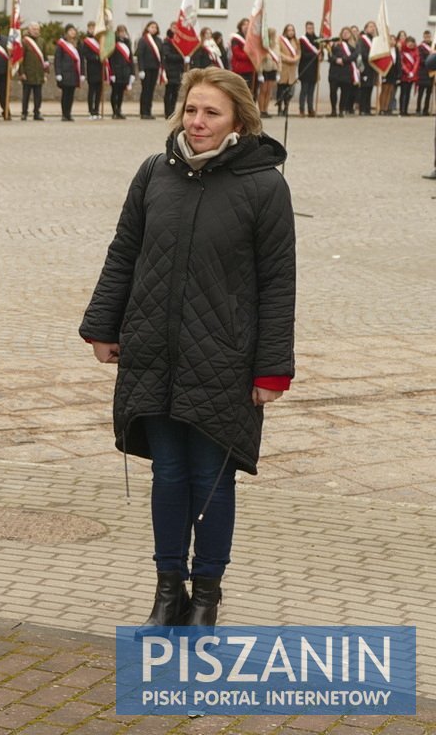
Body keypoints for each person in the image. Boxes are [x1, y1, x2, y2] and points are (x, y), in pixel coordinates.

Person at [80, 66, 295, 628]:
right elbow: (124, 251)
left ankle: (206, 596)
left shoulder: (264, 184)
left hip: (224, 359)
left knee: (211, 480)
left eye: (212, 113)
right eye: (192, 110)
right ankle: (167, 590)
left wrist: (272, 368)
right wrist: (103, 325)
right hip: (153, 351)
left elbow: (277, 281)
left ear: (239, 121)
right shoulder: (155, 172)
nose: (198, 123)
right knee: (169, 476)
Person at [18, 21, 46, 121]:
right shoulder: (25, 41)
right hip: (28, 73)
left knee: (38, 95)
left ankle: (37, 112)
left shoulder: (42, 41)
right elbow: (21, 59)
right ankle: (24, 112)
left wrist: (45, 71)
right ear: (29, 30)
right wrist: (21, 73)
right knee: (26, 95)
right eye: (34, 29)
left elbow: (45, 58)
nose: (36, 31)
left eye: (38, 29)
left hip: (38, 73)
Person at [54, 24, 81, 122]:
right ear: (66, 33)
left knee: (71, 94)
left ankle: (69, 113)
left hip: (73, 73)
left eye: (74, 31)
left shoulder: (77, 44)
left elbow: (80, 59)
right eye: (70, 31)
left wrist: (82, 73)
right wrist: (58, 73)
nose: (73, 32)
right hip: (65, 73)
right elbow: (58, 59)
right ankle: (64, 114)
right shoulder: (61, 44)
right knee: (65, 94)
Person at [136, 21, 163, 119]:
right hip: (146, 69)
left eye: (155, 27)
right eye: (152, 27)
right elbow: (140, 55)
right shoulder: (143, 40)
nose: (154, 29)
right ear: (147, 28)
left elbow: (161, 55)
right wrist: (141, 69)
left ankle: (149, 111)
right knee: (145, 90)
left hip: (155, 68)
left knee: (151, 91)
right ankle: (143, 112)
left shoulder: (159, 40)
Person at [328, 27, 357, 117]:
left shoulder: (353, 46)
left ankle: (341, 110)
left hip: (346, 72)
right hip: (335, 72)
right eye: (343, 32)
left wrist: (343, 60)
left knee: (345, 93)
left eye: (347, 32)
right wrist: (336, 60)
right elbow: (330, 55)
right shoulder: (335, 44)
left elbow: (354, 56)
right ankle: (333, 110)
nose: (345, 34)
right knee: (333, 92)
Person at [108, 24, 134, 119]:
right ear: (117, 33)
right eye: (121, 32)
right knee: (115, 92)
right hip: (116, 71)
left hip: (125, 71)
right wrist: (112, 73)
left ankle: (119, 110)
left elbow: (130, 58)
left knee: (121, 93)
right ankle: (114, 111)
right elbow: (111, 59)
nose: (122, 34)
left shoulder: (127, 43)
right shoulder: (114, 43)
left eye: (124, 32)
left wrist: (132, 72)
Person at [297, 21, 321, 118]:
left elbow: (320, 54)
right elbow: (303, 55)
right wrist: (315, 54)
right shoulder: (303, 40)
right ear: (306, 28)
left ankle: (311, 109)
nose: (310, 30)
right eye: (308, 28)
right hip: (305, 68)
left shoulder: (318, 40)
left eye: (311, 28)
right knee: (304, 90)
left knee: (311, 91)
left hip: (314, 69)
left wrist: (320, 55)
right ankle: (302, 109)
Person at [82, 21, 104, 120]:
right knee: (92, 91)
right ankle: (91, 110)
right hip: (92, 68)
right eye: (91, 28)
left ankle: (97, 110)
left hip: (100, 69)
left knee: (99, 91)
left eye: (94, 28)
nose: (92, 30)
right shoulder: (86, 41)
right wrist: (96, 57)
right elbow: (86, 54)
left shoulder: (100, 41)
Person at [276, 24, 300, 117]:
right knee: (281, 89)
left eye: (292, 30)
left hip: (292, 69)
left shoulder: (296, 41)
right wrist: (289, 59)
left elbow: (298, 52)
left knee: (290, 91)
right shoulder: (281, 40)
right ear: (285, 31)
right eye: (289, 30)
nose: (291, 32)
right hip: (284, 67)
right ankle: (279, 108)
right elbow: (279, 52)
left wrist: (296, 58)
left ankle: (286, 107)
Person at [162, 27, 185, 119]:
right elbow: (168, 56)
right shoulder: (167, 43)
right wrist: (181, 57)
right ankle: (168, 112)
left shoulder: (179, 44)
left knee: (175, 93)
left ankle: (172, 111)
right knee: (169, 92)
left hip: (178, 71)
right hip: (170, 70)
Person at [256, 27, 279, 117]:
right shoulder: (264, 45)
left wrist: (278, 71)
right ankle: (261, 110)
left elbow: (279, 57)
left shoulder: (276, 45)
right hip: (265, 70)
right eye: (272, 34)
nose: (274, 36)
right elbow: (260, 60)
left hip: (273, 69)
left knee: (269, 91)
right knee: (263, 90)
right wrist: (260, 72)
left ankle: (265, 110)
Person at [228, 19, 254, 94]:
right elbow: (237, 54)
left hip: (250, 68)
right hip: (240, 69)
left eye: (248, 24)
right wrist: (250, 55)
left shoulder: (250, 38)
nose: (246, 26)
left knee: (249, 91)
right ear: (240, 26)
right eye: (244, 24)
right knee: (239, 91)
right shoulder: (236, 39)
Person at [399, 36, 419, 116]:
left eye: (412, 44)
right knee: (403, 93)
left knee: (408, 93)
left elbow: (417, 62)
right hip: (404, 75)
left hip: (412, 75)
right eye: (409, 44)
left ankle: (406, 110)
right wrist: (407, 72)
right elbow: (401, 63)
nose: (411, 46)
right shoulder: (402, 52)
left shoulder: (415, 52)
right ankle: (402, 110)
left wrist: (413, 72)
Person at [417, 31, 433, 116]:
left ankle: (425, 109)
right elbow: (421, 59)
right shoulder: (420, 47)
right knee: (421, 92)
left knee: (428, 93)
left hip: (431, 73)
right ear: (423, 37)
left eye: (429, 37)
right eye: (426, 37)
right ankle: (418, 109)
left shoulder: (433, 46)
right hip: (423, 72)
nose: (427, 38)